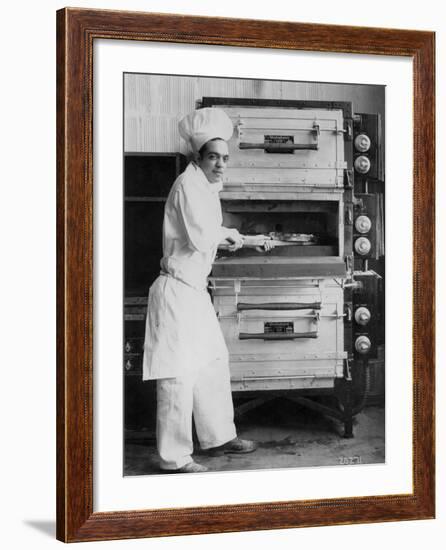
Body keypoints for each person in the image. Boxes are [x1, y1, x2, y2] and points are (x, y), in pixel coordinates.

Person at [142, 107, 259, 474]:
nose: (221, 164)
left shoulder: (206, 187)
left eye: (225, 158)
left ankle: (219, 436)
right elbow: (201, 236)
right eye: (213, 157)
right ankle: (173, 458)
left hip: (194, 291)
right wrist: (236, 237)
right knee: (178, 376)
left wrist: (243, 238)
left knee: (212, 363)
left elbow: (210, 232)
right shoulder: (188, 185)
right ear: (198, 157)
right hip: (175, 292)